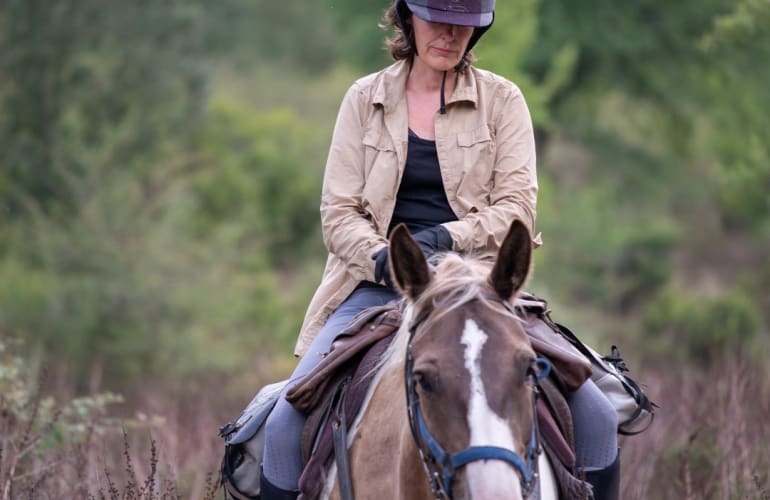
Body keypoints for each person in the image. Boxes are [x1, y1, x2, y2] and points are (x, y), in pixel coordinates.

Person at [260, 1, 619, 499]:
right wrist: (384, 258)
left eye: (464, 25)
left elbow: (518, 208)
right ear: (408, 18)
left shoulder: (503, 99)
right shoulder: (364, 99)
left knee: (596, 416)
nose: (450, 35)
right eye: (437, 20)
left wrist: (447, 238)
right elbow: (338, 213)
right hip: (377, 285)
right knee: (282, 426)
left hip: (483, 289)